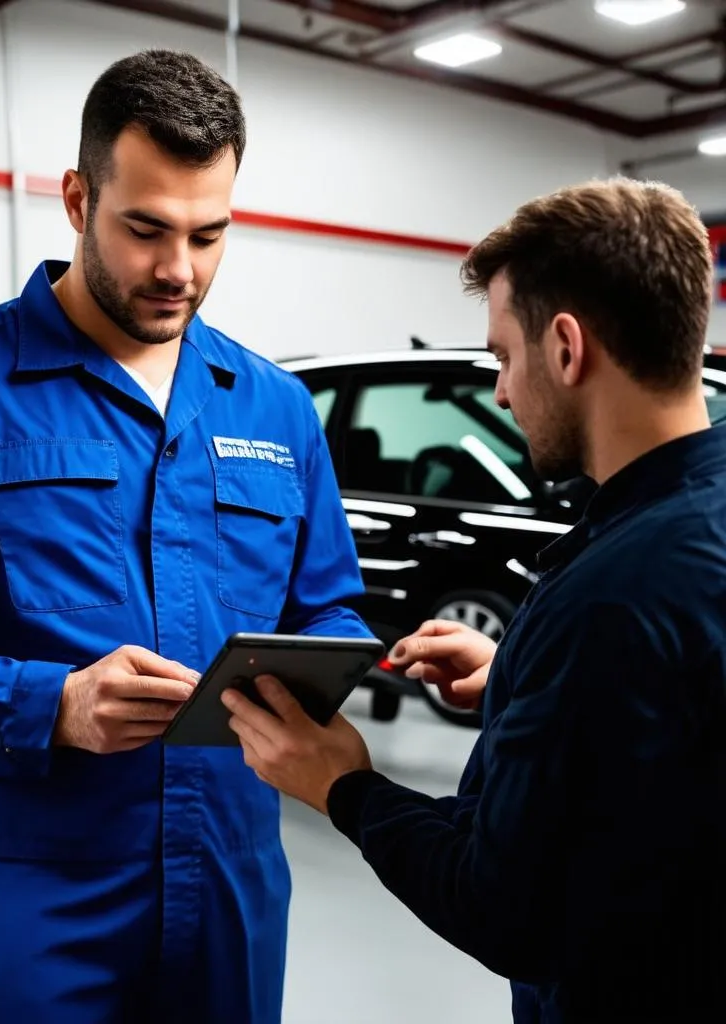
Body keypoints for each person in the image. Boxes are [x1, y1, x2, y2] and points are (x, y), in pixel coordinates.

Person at [0, 48, 372, 1024]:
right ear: (76, 198)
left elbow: (325, 602)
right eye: (144, 227)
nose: (177, 270)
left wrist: (328, 671)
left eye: (209, 234)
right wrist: (50, 703)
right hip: (20, 894)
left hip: (229, 875)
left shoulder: (276, 409)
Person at [223, 177, 726, 1023]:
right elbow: (675, 731)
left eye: (502, 355)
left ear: (566, 349)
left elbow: (504, 907)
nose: (498, 390)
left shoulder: (611, 598)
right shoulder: (692, 526)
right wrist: (517, 680)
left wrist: (343, 787)